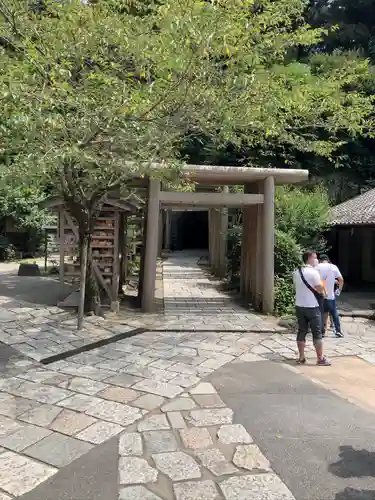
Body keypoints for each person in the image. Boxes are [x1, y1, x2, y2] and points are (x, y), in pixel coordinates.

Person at [293, 250, 330, 366]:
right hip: (313, 307)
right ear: (309, 258)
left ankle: (301, 357)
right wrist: (325, 293)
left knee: (302, 331)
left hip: (299, 306)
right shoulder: (313, 273)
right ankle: (320, 358)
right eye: (315, 257)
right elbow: (320, 289)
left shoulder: (296, 272)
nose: (317, 260)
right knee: (317, 333)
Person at [317, 254, 344, 338]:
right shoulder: (333, 267)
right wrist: (339, 289)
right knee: (334, 313)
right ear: (328, 260)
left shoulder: (316, 267)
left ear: (320, 260)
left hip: (320, 295)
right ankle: (338, 331)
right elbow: (341, 280)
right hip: (330, 296)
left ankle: (322, 332)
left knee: (321, 313)